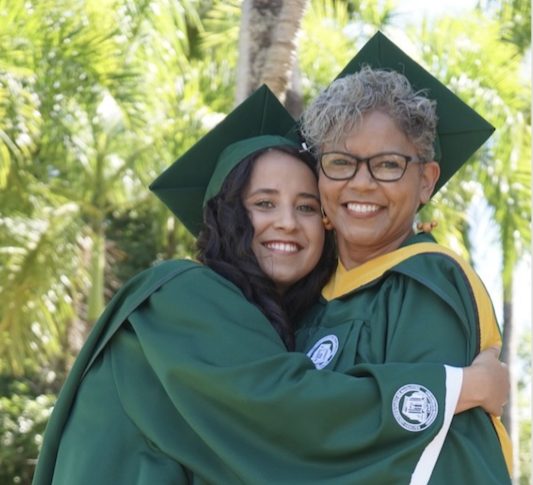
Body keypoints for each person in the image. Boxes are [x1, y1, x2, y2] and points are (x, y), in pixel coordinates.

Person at [33, 85, 508, 485]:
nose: (287, 224)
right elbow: (285, 411)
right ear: (226, 214)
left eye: (304, 207)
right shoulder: (179, 293)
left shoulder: (408, 284)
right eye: (263, 203)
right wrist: (461, 386)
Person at [297, 31, 511, 484]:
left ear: (426, 181)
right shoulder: (307, 295)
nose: (361, 184)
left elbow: (416, 449)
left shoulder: (429, 283)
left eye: (388, 165)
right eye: (340, 162)